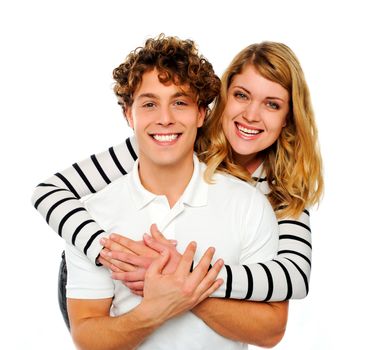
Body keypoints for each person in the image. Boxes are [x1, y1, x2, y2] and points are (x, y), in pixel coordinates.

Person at [32, 37, 322, 343]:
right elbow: (49, 192)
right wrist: (107, 252)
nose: (251, 114)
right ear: (220, 101)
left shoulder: (280, 192)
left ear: (288, 117)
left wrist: (177, 275)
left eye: (272, 104)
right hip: (107, 265)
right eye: (241, 95)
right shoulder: (173, 137)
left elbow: (293, 279)